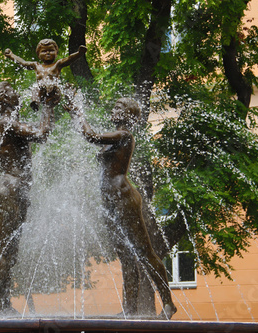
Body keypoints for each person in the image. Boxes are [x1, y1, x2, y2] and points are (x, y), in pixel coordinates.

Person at [65, 97, 177, 319]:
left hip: (124, 197)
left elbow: (91, 136)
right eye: (114, 106)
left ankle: (168, 303)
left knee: (145, 253)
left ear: (130, 115)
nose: (114, 110)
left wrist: (77, 112)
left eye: (119, 108)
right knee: (125, 256)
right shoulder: (113, 137)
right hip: (110, 201)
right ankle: (129, 308)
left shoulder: (124, 135)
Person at [0, 81, 58, 316]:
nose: (16, 92)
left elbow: (39, 128)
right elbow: (42, 133)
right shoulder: (6, 123)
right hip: (10, 189)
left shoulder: (12, 124)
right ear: (4, 99)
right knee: (5, 251)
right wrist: (48, 106)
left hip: (16, 190)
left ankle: (3, 303)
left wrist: (46, 103)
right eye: (11, 90)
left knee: (9, 253)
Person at [5, 39, 86, 111]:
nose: (47, 53)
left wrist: (79, 53)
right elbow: (23, 62)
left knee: (51, 87)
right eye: (44, 51)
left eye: (51, 50)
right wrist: (11, 55)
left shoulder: (57, 64)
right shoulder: (36, 65)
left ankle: (70, 105)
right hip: (41, 92)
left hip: (54, 92)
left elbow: (69, 59)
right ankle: (35, 103)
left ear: (56, 53)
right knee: (36, 89)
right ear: (38, 54)